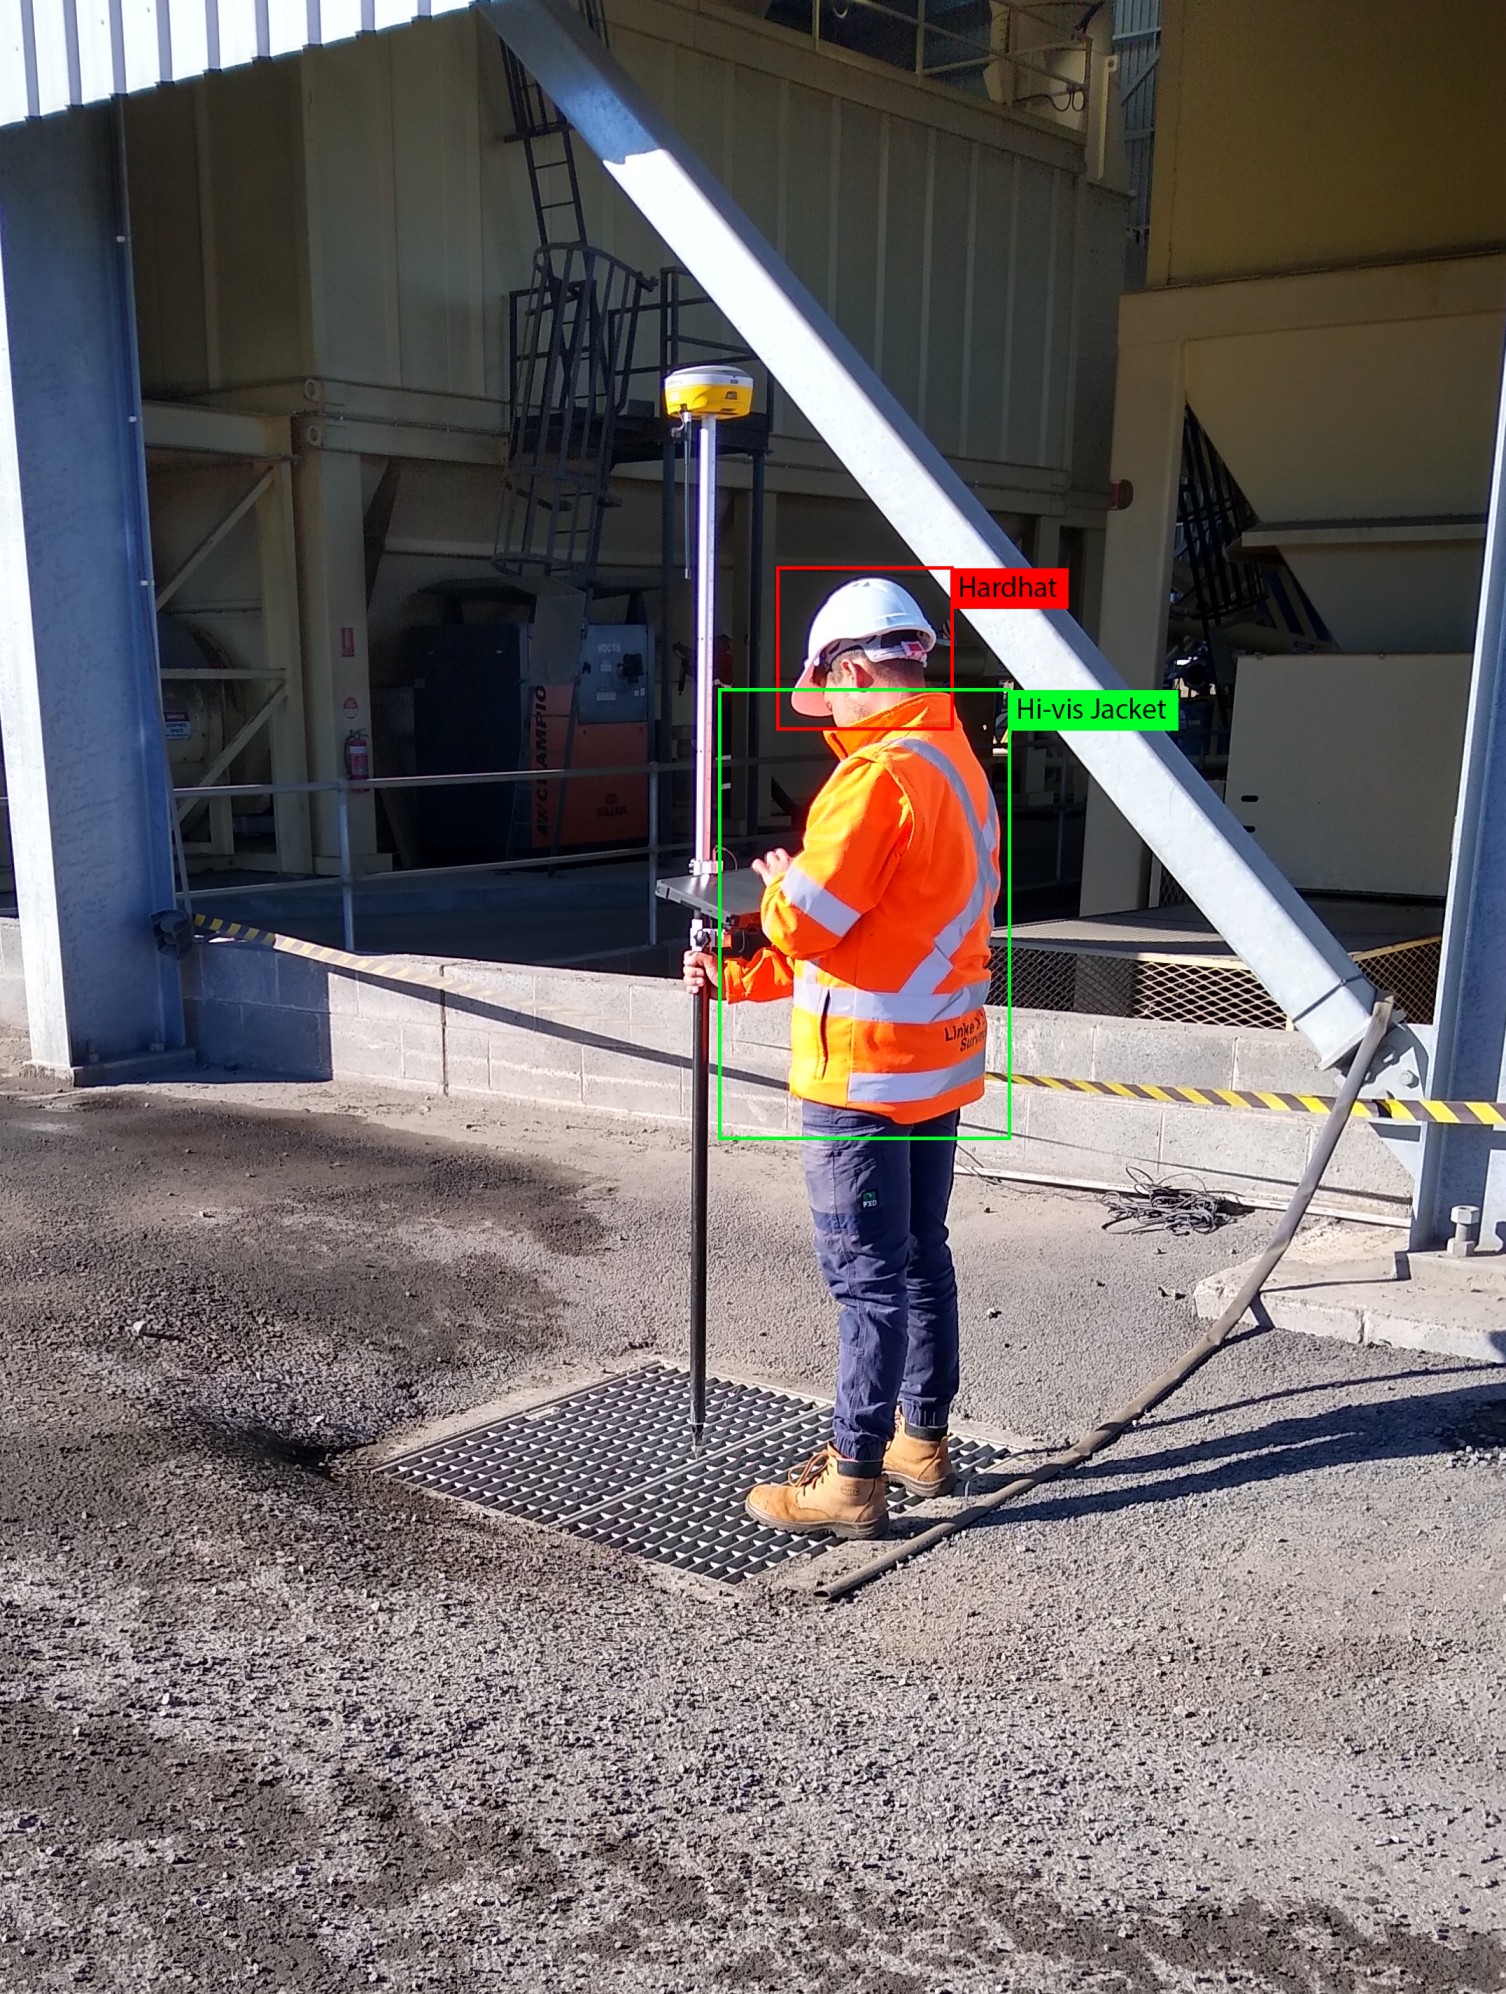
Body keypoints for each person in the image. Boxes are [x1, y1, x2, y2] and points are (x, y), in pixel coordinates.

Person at [683, 577, 1001, 1539]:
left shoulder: (875, 779)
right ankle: (920, 1442)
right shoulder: (955, 759)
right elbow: (886, 939)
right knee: (918, 1259)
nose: (827, 703)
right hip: (933, 1064)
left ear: (851, 667)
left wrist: (775, 891)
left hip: (861, 1080)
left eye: (828, 681)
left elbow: (816, 924)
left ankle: (853, 1480)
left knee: (865, 1278)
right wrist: (740, 978)